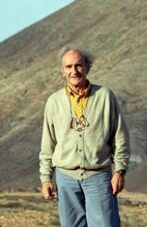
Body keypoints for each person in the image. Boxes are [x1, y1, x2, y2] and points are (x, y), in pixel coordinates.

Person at [39, 46, 130, 227]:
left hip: (98, 176)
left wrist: (119, 171)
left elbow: (120, 136)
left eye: (79, 65)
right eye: (69, 67)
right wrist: (46, 178)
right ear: (62, 71)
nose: (74, 71)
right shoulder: (54, 101)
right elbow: (48, 143)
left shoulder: (104, 96)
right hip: (65, 177)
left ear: (88, 67)